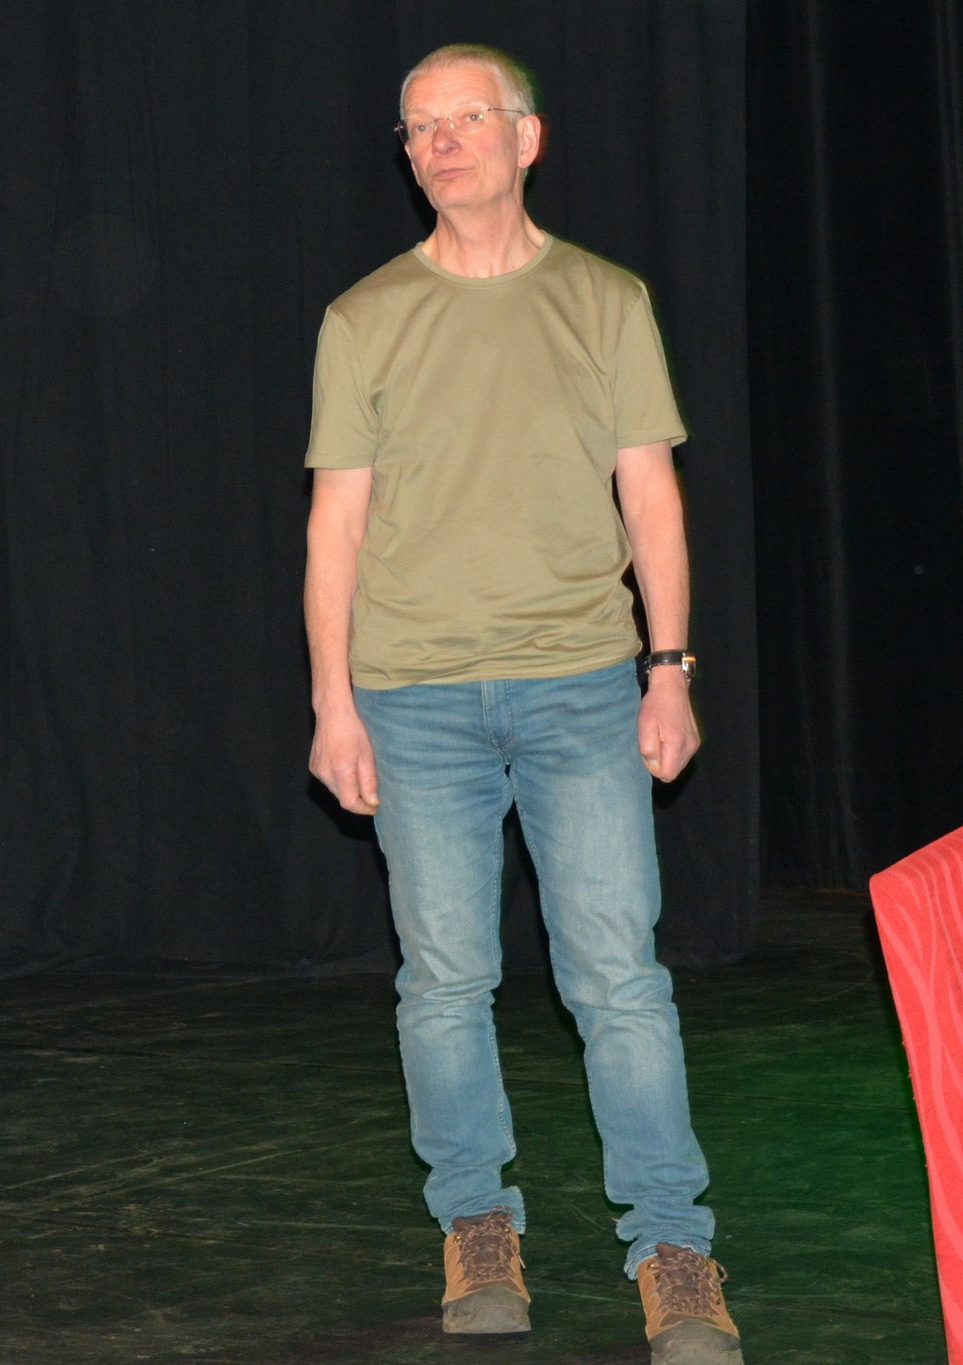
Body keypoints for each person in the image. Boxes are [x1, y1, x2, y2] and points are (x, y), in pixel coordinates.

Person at [302, 45, 741, 1365]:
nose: (440, 142)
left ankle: (672, 1250)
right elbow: (335, 527)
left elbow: (649, 496)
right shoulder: (363, 317)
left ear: (526, 139)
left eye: (466, 118)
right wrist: (332, 704)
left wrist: (669, 668)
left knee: (618, 980)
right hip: (412, 699)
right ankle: (477, 1226)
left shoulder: (605, 300)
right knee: (444, 983)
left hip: (580, 690)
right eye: (417, 127)